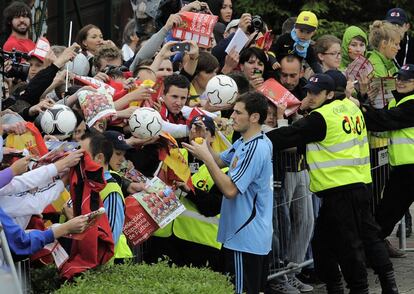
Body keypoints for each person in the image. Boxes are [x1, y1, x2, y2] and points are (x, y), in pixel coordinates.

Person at [265, 73, 398, 293]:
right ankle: (386, 284)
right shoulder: (350, 108)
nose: (311, 96)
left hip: (340, 190)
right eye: (308, 92)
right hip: (360, 183)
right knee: (337, 241)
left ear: (329, 94)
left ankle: (359, 288)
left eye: (315, 93)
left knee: (349, 245)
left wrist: (252, 139)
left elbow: (288, 136)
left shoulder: (321, 117)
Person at [183, 91, 273, 294]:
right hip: (246, 236)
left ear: (254, 117)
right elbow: (221, 160)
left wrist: (205, 157)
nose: (232, 116)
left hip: (245, 237)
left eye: (238, 112)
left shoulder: (255, 148)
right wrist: (205, 144)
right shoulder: (244, 142)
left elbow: (230, 190)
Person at [360, 64, 414, 249]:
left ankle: (371, 250)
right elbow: (384, 127)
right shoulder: (395, 102)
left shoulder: (410, 104)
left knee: (387, 212)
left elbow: (386, 120)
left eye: (406, 79)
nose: (400, 82)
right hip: (402, 168)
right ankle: (373, 249)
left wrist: (358, 113)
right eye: (398, 78)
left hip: (409, 168)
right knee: (388, 212)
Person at [79, 131, 132, 260]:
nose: (121, 159)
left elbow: (110, 239)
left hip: (107, 264)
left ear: (100, 156)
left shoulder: (111, 190)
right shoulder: (84, 182)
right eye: (117, 154)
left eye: (83, 154)